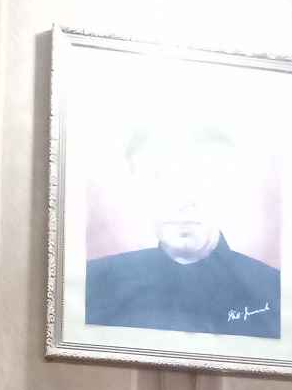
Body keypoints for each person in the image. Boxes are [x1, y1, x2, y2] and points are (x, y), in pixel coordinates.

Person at [85, 125, 282, 338]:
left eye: (203, 180)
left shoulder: (274, 292)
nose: (184, 202)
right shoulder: (95, 284)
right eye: (159, 178)